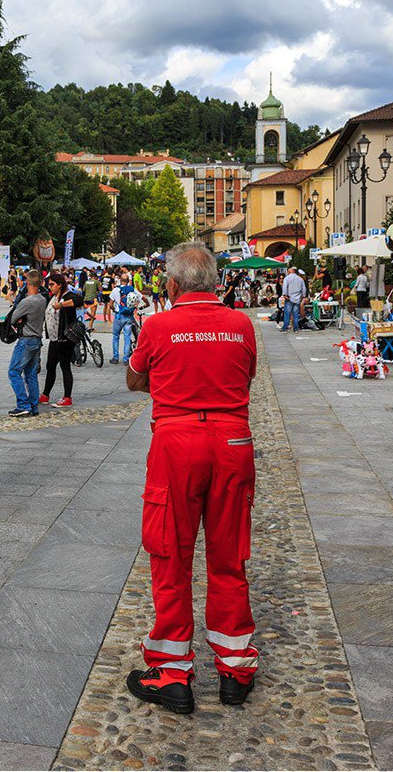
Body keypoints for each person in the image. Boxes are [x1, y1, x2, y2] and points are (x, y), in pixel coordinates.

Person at [124, 242, 259, 715]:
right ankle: (235, 667)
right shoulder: (241, 325)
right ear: (216, 282)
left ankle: (171, 670)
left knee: (170, 553)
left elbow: (134, 379)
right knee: (229, 554)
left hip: (178, 442)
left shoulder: (158, 325)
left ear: (173, 284)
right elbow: (246, 378)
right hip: (232, 440)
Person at [7, 270, 46, 417]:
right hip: (37, 339)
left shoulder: (27, 301)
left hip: (26, 340)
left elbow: (13, 318)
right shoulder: (42, 299)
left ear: (27, 283)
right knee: (31, 374)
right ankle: (33, 406)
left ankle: (23, 404)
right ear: (40, 283)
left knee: (13, 371)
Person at [39, 272, 79, 409]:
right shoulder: (53, 297)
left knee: (65, 367)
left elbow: (79, 300)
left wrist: (62, 305)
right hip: (54, 339)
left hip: (65, 339)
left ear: (60, 285)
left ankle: (67, 397)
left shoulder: (67, 296)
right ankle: (45, 395)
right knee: (50, 366)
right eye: (49, 284)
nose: (50, 287)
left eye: (52, 284)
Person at [280, 266, 307, 332]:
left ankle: (285, 327)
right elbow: (304, 289)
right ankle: (295, 328)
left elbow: (285, 287)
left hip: (289, 298)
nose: (288, 272)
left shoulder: (287, 278)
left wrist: (284, 295)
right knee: (296, 314)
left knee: (287, 314)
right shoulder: (300, 279)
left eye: (288, 271)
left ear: (291, 271)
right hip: (297, 298)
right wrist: (302, 296)